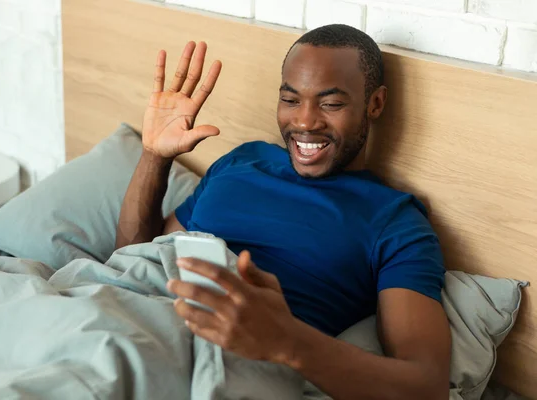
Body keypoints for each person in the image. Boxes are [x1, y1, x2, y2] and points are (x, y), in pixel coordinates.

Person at [115, 24, 451, 400]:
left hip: (211, 358)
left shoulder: (395, 222)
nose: (305, 121)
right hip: (125, 309)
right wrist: (154, 157)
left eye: (331, 103)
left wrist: (288, 339)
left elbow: (427, 386)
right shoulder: (240, 161)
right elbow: (132, 253)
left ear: (375, 104)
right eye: (291, 100)